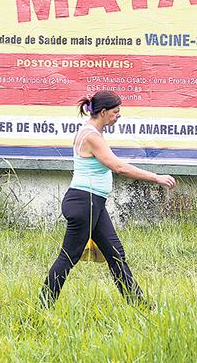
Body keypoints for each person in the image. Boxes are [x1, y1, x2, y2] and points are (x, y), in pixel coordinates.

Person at [40, 90, 176, 308]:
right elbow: (119, 167)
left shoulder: (91, 131)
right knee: (68, 257)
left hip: (93, 203)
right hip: (85, 203)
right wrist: (156, 177)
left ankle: (140, 306)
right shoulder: (92, 136)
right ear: (103, 112)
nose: (118, 115)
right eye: (116, 111)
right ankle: (42, 306)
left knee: (115, 254)